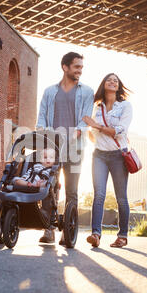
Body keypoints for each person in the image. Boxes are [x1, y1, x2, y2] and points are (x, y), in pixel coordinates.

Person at [36, 52, 94, 244]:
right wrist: (46, 135)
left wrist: (73, 135)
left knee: (72, 189)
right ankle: (49, 229)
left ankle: (67, 231)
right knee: (49, 186)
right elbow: (42, 118)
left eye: (81, 67)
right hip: (51, 146)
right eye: (76, 67)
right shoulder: (49, 91)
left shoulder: (87, 92)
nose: (80, 71)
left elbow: (84, 121)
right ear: (65, 67)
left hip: (75, 148)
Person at [82, 73, 132, 248]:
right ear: (104, 84)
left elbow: (119, 130)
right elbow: (90, 131)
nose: (112, 82)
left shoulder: (125, 106)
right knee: (99, 195)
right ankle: (96, 234)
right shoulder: (96, 107)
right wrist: (92, 132)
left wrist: (97, 126)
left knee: (121, 198)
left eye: (116, 80)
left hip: (119, 155)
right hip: (99, 155)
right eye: (109, 80)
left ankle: (122, 236)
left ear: (118, 86)